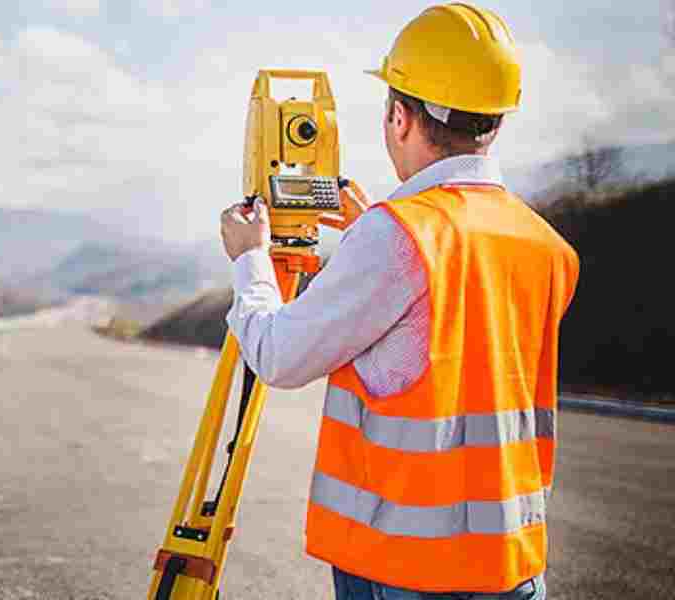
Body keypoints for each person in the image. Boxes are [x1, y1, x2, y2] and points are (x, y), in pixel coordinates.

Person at [219, 4, 579, 599]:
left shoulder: (397, 238)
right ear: (496, 121)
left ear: (399, 114)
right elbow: (455, 328)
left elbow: (278, 356)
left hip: (405, 573)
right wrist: (376, 236)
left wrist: (250, 257)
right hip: (510, 567)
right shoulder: (544, 245)